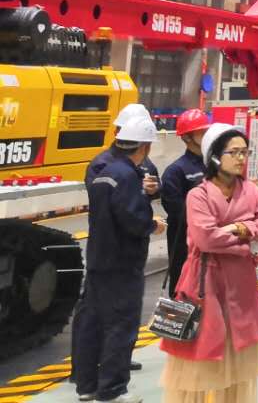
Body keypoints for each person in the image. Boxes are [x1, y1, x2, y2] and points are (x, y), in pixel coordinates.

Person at [159, 123, 258, 403]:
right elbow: (206, 239)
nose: (241, 158)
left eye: (244, 152)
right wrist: (246, 241)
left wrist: (238, 228)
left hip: (241, 285)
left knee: (237, 357)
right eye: (233, 152)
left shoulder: (250, 190)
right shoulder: (197, 195)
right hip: (204, 284)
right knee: (198, 356)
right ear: (214, 156)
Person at [74, 109, 166, 403]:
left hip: (99, 257)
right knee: (121, 324)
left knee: (93, 322)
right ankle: (112, 390)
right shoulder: (126, 175)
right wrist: (152, 224)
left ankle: (87, 386)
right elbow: (132, 218)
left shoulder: (106, 171)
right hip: (123, 262)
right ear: (145, 146)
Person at [161, 108, 211, 296]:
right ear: (187, 137)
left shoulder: (214, 165)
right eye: (201, 132)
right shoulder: (176, 171)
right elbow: (177, 211)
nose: (206, 135)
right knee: (183, 288)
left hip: (212, 240)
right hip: (184, 243)